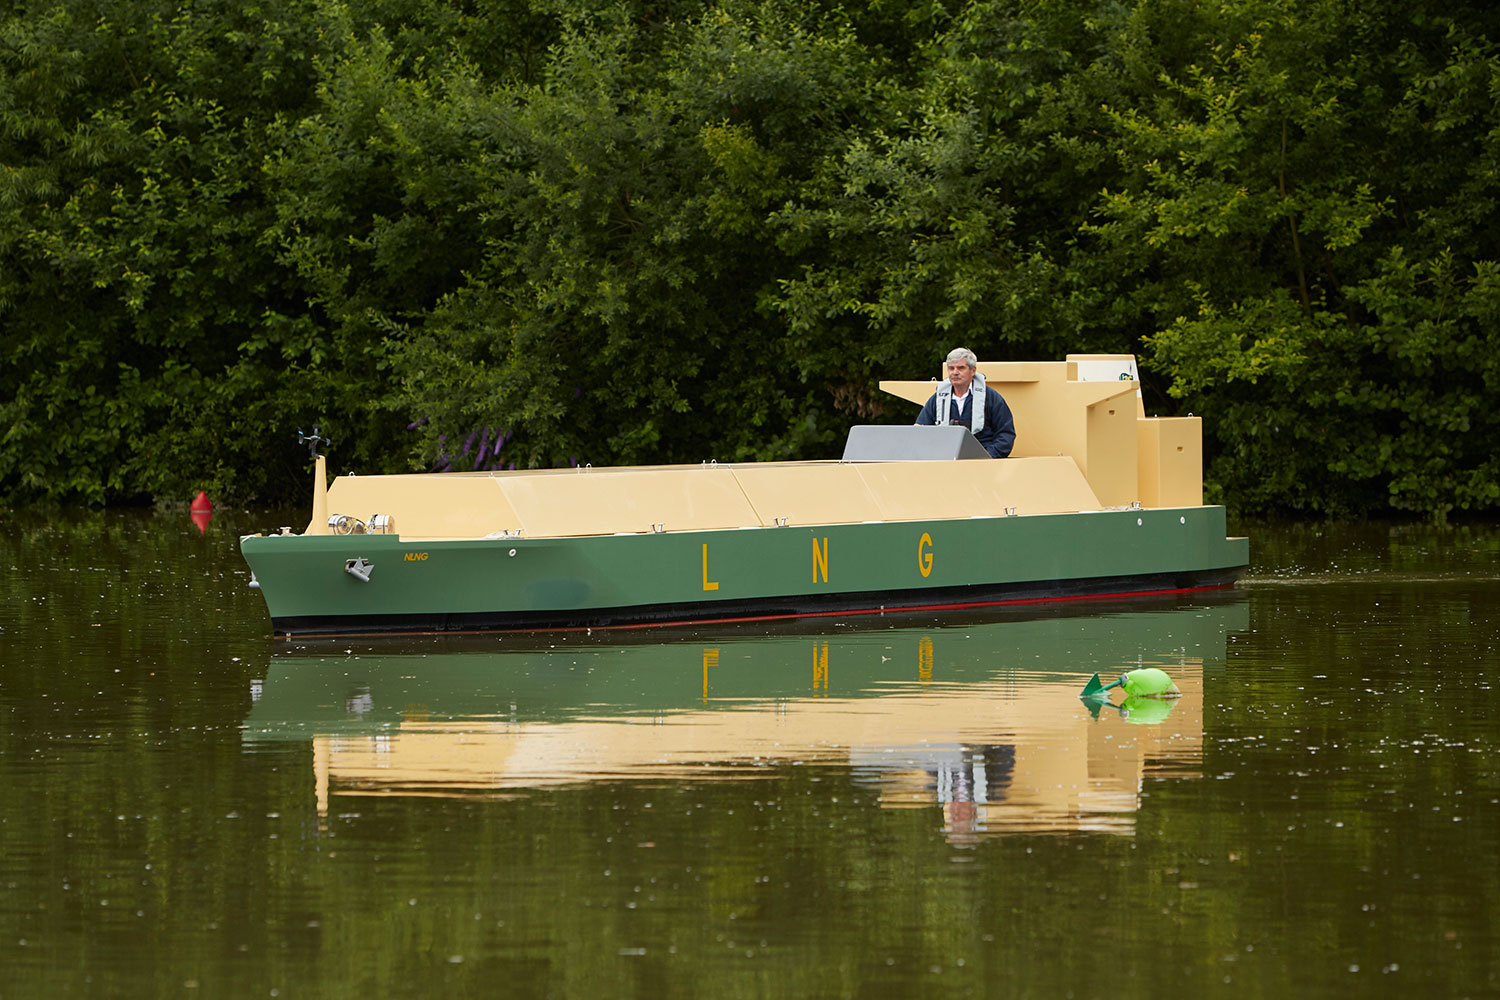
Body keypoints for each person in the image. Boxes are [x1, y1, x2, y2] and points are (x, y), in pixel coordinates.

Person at [914, 347, 1015, 458]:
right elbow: (920, 431)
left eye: (960, 368)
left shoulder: (992, 398)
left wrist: (988, 456)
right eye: (951, 368)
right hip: (945, 461)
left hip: (984, 463)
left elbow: (1006, 435)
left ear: (973, 371)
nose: (955, 373)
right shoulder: (937, 399)